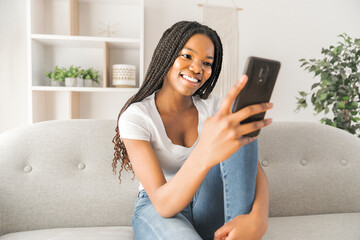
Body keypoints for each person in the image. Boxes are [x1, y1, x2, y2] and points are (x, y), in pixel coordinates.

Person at [112, 21, 272, 240]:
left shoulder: (214, 108)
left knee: (238, 122)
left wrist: (258, 219)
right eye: (187, 56)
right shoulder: (136, 116)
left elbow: (251, 169)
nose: (197, 68)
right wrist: (206, 150)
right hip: (159, 207)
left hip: (208, 205)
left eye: (207, 63)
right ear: (167, 55)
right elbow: (163, 204)